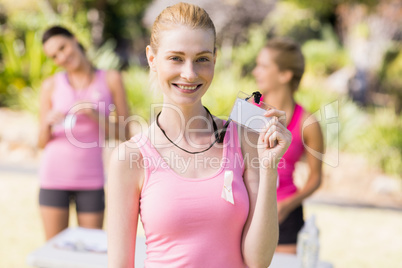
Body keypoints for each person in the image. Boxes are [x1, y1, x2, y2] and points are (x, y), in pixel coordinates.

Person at [107, 3, 292, 267]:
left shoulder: (243, 140)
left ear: (214, 58)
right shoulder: (130, 157)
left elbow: (258, 261)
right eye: (176, 58)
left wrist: (269, 166)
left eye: (202, 59)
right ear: (152, 58)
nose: (190, 73)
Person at [38, 26, 130, 240]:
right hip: (53, 178)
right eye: (54, 55)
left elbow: (126, 135)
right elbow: (41, 142)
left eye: (63, 47)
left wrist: (94, 114)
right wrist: (46, 125)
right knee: (54, 255)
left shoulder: (111, 79)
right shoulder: (50, 85)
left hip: (91, 179)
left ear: (75, 39)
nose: (62, 56)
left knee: (90, 253)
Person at [252, 37, 324, 254]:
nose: (256, 72)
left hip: (286, 215)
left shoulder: (307, 123)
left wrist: (287, 205)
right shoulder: (249, 109)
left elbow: (315, 178)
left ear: (285, 75)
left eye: (263, 66)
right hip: (250, 206)